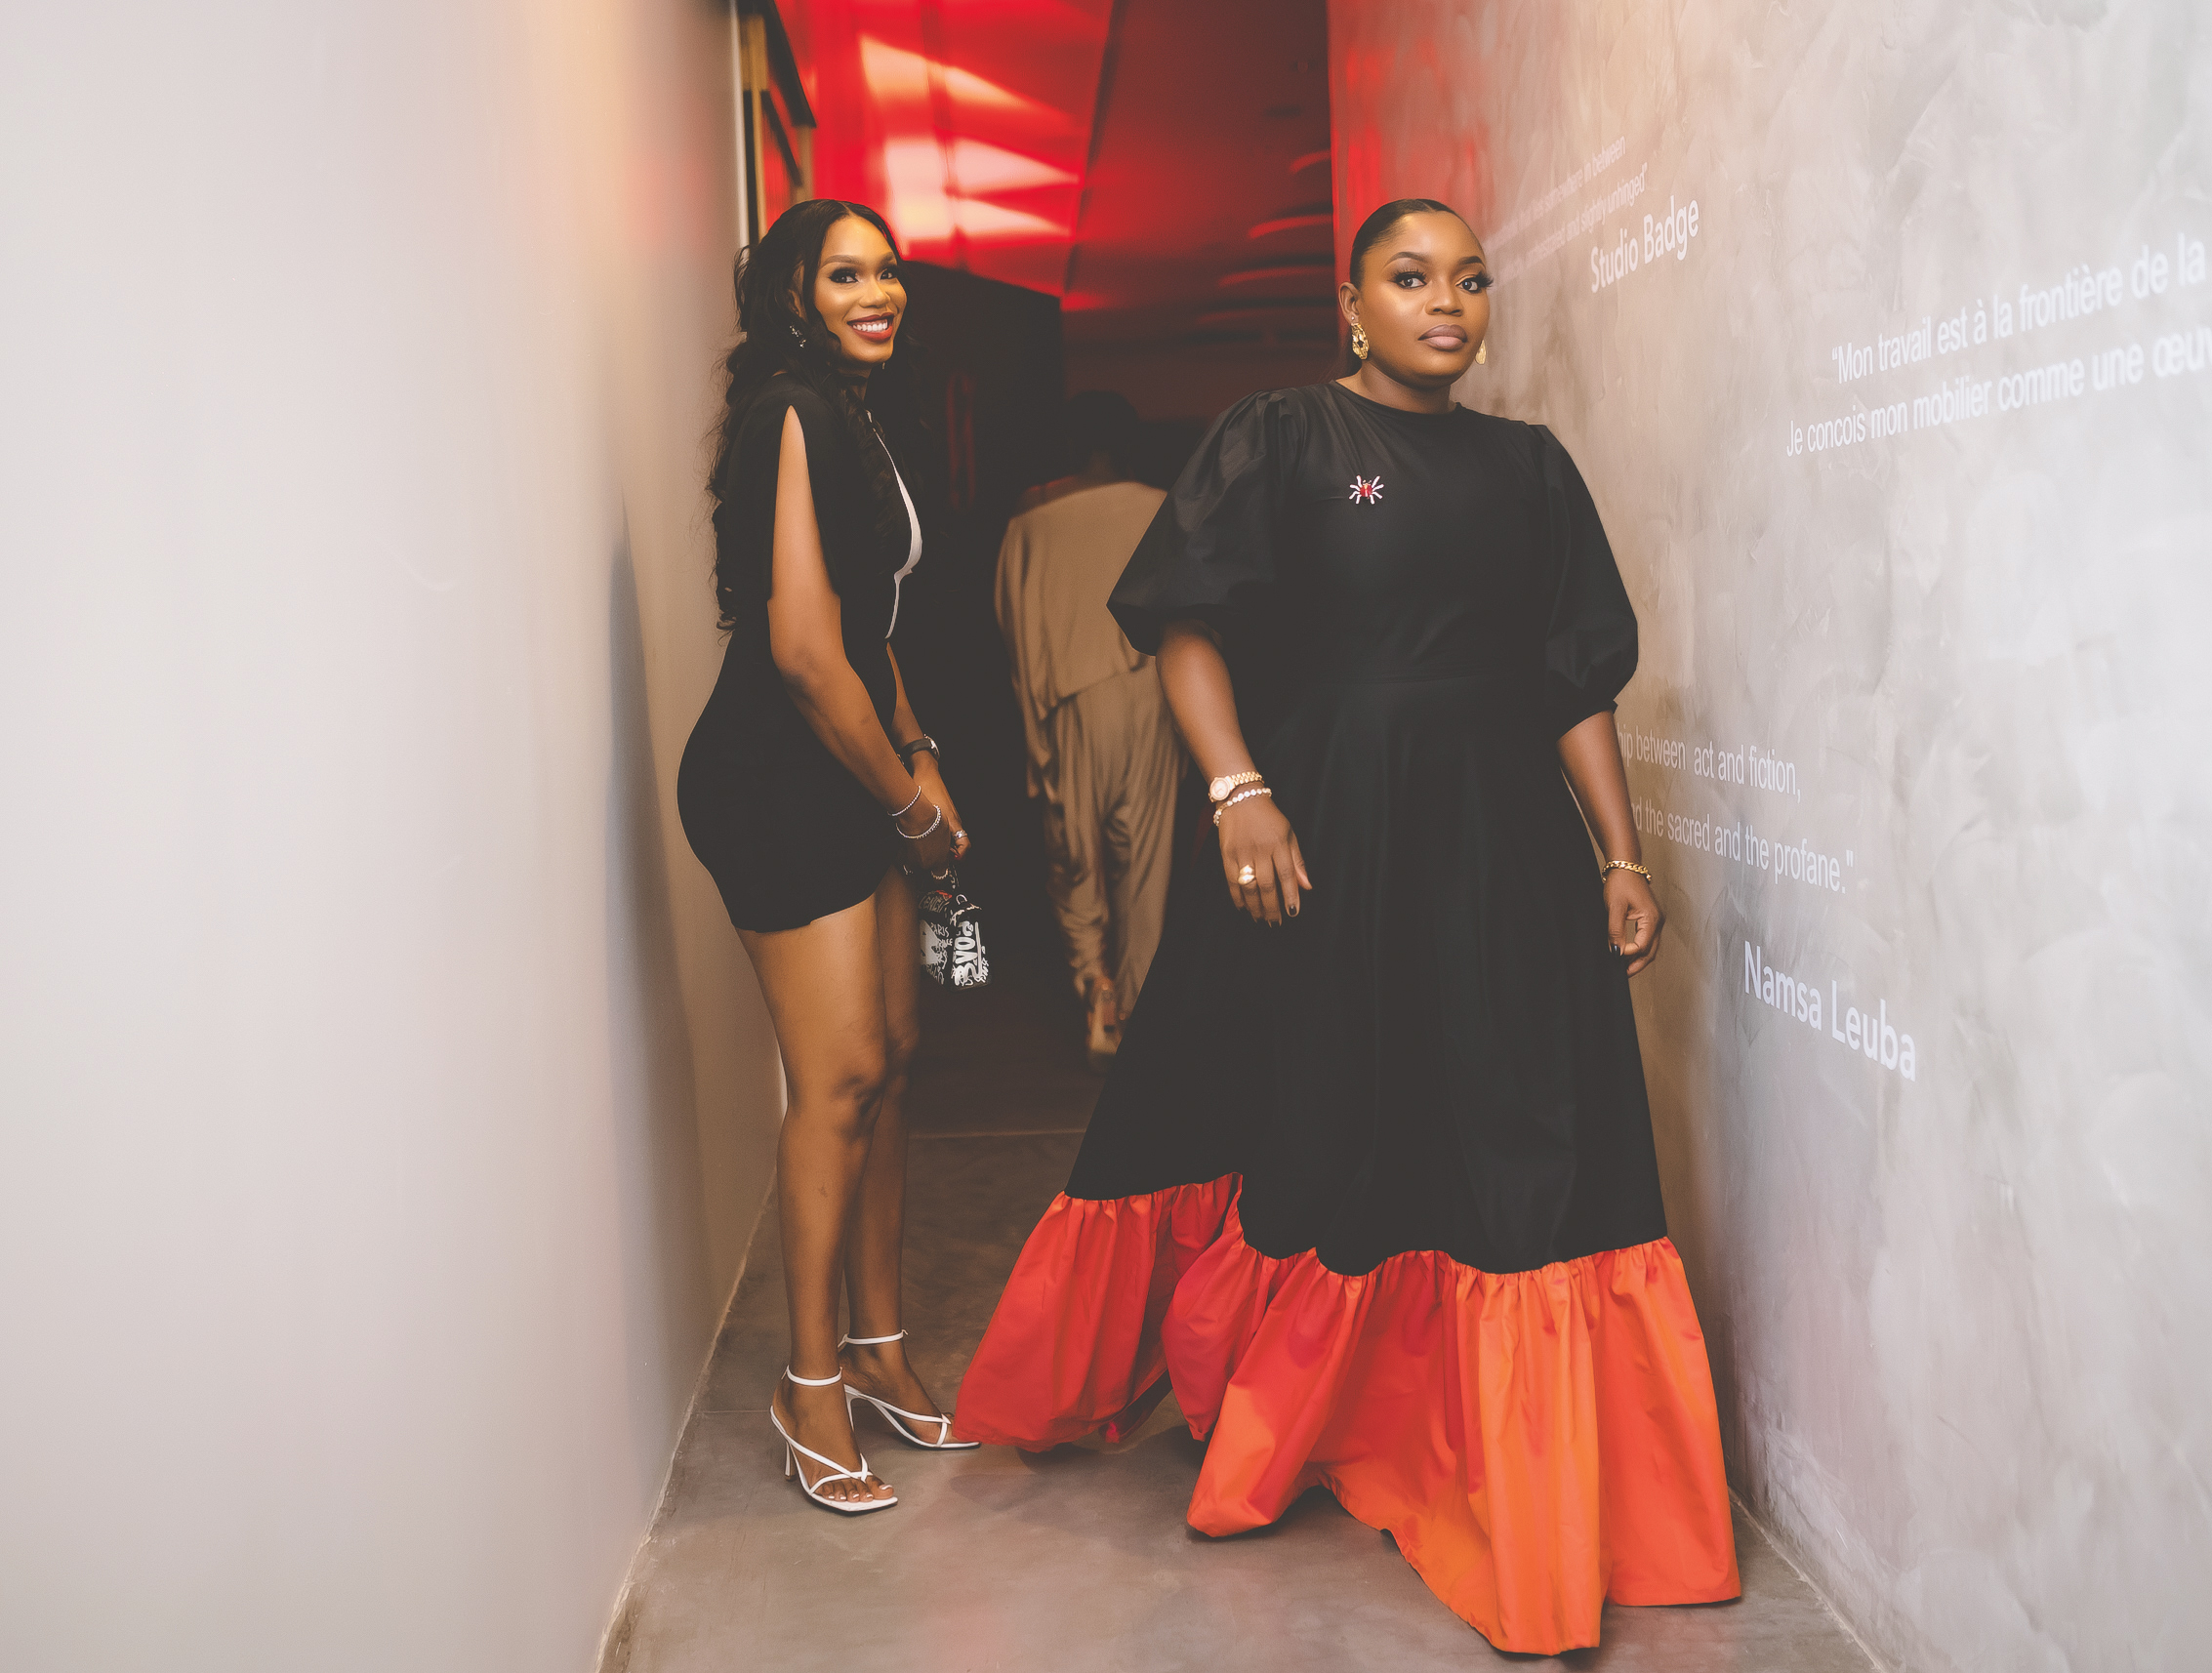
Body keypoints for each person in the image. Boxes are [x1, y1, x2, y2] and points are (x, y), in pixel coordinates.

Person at [954, 200, 1740, 1651]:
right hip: (1332, 829)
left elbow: (1571, 681)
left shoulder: (1530, 467)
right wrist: (1237, 789)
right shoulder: (1286, 435)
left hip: (1501, 846)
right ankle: (1308, 1411)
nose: (1447, 302)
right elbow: (1186, 624)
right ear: (1352, 303)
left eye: (1469, 280)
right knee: (1337, 1116)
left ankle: (1522, 1482)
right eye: (1411, 277)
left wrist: (1619, 854)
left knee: (1513, 1127)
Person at [676, 199, 980, 1518]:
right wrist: (909, 809)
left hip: (855, 756)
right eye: (846, 272)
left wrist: (920, 752)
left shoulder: (854, 415)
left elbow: (868, 629)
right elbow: (802, 651)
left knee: (893, 1064)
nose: (880, 291)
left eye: (889, 271)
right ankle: (806, 1387)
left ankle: (877, 1350)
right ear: (792, 294)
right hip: (775, 774)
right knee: (842, 1073)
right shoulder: (789, 409)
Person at [994, 392, 1184, 1069]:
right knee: (1147, 859)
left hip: (1070, 698)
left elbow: (1016, 634)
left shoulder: (1030, 523)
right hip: (1154, 692)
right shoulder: (1166, 508)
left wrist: (1035, 728)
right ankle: (1139, 1005)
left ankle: (1095, 984)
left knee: (1074, 851)